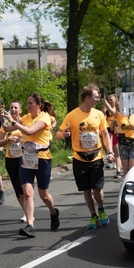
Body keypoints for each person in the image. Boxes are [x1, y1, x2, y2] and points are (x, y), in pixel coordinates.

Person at [0, 92, 60, 237]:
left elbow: (30, 130)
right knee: (27, 192)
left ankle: (53, 211)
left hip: (42, 158)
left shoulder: (44, 117)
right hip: (26, 158)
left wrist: (14, 122)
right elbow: (8, 129)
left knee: (43, 195)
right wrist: (3, 117)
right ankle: (30, 225)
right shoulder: (25, 117)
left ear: (39, 105)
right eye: (27, 103)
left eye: (31, 103)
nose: (28, 106)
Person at [56, 84, 115, 229]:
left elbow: (105, 134)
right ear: (87, 98)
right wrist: (63, 134)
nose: (98, 99)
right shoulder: (72, 115)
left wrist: (110, 151)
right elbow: (58, 134)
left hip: (96, 156)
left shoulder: (99, 114)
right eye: (96, 97)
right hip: (79, 157)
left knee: (97, 189)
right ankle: (93, 215)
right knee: (86, 190)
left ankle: (101, 208)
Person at [0, 100, 27, 222]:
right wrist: (9, 139)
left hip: (23, 158)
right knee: (17, 188)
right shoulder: (5, 125)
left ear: (20, 110)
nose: (14, 110)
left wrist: (21, 139)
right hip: (11, 159)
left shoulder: (25, 121)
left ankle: (29, 213)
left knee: (23, 186)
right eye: (11, 108)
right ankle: (26, 212)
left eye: (16, 107)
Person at [102, 95, 134, 175]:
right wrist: (104, 101)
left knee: (132, 169)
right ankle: (125, 185)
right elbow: (110, 110)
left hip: (133, 143)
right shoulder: (119, 116)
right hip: (123, 144)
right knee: (126, 170)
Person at [104, 93, 124, 179]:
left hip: (117, 132)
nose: (110, 100)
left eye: (111, 99)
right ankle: (111, 162)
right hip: (108, 130)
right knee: (108, 149)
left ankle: (118, 170)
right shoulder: (107, 110)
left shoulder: (118, 110)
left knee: (117, 152)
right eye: (109, 99)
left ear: (116, 100)